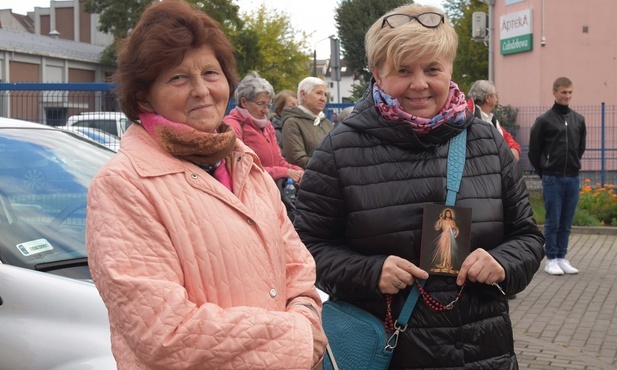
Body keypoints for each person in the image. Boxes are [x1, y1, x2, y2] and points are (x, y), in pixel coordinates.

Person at [293, 3, 545, 369]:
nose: (419, 84)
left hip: (482, 353)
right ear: (377, 74)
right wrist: (370, 272)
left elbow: (528, 236)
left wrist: (503, 263)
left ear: (449, 70)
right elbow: (303, 250)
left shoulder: (485, 141)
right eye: (402, 71)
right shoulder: (340, 149)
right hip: (387, 351)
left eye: (432, 69)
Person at [85, 1, 326, 368]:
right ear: (143, 96)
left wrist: (307, 313)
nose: (201, 89)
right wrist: (296, 338)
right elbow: (165, 332)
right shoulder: (123, 185)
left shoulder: (245, 163)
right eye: (178, 77)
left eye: (211, 73)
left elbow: (298, 267)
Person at [529, 76, 586, 276]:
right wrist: (544, 172)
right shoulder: (544, 121)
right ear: (554, 93)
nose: (567, 96)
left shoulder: (579, 120)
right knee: (553, 220)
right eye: (563, 92)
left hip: (572, 177)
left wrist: (572, 165)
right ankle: (551, 258)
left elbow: (580, 148)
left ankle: (562, 257)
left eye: (570, 92)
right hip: (552, 178)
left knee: (566, 221)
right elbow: (534, 152)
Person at [224, 72, 304, 185]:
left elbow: (278, 161)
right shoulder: (233, 126)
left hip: (270, 190)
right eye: (261, 103)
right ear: (244, 102)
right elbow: (241, 169)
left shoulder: (267, 125)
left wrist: (297, 170)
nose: (265, 110)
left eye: (268, 105)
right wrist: (285, 172)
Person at [281, 77, 334, 169]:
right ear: (303, 95)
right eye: (318, 93)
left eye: (325, 95)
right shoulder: (292, 123)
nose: (323, 99)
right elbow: (297, 160)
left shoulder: (327, 123)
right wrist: (332, 166)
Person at [468, 80, 522, 161]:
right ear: (487, 97)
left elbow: (506, 137)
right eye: (496, 95)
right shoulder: (468, 118)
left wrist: (515, 149)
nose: (497, 99)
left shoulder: (492, 120)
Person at [431, 208, 460, 274]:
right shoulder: (443, 221)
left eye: (449, 213)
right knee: (442, 249)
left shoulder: (452, 221)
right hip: (443, 236)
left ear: (451, 214)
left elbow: (455, 229)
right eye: (447, 213)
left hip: (449, 237)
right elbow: (437, 228)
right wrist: (440, 220)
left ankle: (447, 264)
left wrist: (454, 227)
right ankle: (442, 263)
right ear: (445, 214)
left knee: (448, 251)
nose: (448, 214)